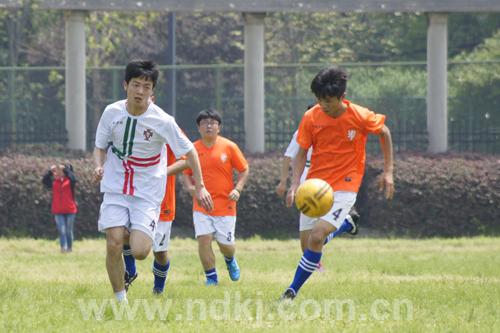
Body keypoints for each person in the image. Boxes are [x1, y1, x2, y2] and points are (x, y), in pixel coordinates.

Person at [94, 60, 213, 303]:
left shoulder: (163, 120)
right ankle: (121, 302)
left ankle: (126, 230)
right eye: (136, 85)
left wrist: (200, 187)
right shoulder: (111, 112)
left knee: (140, 251)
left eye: (146, 87)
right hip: (116, 186)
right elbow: (99, 146)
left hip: (147, 191)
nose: (140, 91)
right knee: (113, 242)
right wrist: (98, 165)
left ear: (153, 91)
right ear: (125, 85)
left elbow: (190, 152)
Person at [280, 66, 394, 300]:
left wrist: (388, 171)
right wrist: (294, 184)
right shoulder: (311, 117)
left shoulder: (359, 115)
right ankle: (345, 224)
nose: (323, 105)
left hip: (346, 184)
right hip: (314, 185)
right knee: (308, 245)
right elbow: (301, 152)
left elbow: (384, 133)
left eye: (328, 101)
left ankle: (291, 292)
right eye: (319, 100)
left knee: (317, 236)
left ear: (342, 97)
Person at [276, 111, 360, 266]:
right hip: (307, 179)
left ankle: (342, 226)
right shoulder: (302, 130)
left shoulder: (337, 127)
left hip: (327, 178)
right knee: (305, 244)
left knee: (317, 234)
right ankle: (345, 224)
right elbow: (290, 156)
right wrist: (286, 182)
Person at [182, 108, 249, 286]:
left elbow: (244, 169)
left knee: (225, 245)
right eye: (204, 123)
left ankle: (229, 259)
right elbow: (185, 172)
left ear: (219, 127)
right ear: (199, 128)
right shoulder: (192, 149)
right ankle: (211, 278)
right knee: (204, 240)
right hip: (201, 205)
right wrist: (190, 188)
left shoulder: (229, 147)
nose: (209, 126)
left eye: (213, 123)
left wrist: (238, 189)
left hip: (226, 205)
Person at [122, 144, 189, 295]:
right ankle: (130, 272)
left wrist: (160, 172)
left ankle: (158, 289)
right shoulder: (133, 126)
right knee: (124, 233)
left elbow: (186, 160)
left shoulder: (169, 128)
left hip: (162, 203)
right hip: (135, 197)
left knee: (160, 252)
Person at [42, 163, 78, 253]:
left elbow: (73, 178)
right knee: (61, 230)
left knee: (69, 230)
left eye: (61, 171)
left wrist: (64, 169)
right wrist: (51, 171)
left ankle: (69, 248)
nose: (58, 173)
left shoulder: (70, 182)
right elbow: (44, 180)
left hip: (70, 210)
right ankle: (63, 248)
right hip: (58, 210)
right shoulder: (54, 182)